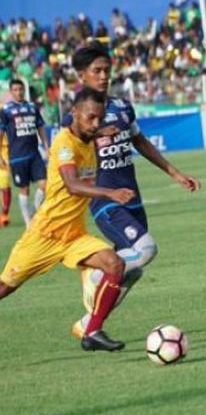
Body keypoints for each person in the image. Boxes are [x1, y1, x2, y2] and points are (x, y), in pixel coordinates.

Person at [62, 43, 201, 339]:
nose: (103, 76)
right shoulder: (76, 115)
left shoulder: (123, 107)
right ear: (82, 75)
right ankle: (95, 273)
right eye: (96, 71)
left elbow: (140, 142)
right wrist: (97, 132)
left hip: (131, 197)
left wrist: (175, 173)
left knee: (132, 269)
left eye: (106, 71)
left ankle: (90, 325)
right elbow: (67, 146)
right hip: (104, 199)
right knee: (146, 249)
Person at [0, 87, 135, 351]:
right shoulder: (63, 142)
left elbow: (89, 136)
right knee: (5, 287)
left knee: (114, 264)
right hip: (45, 235)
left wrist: (99, 132)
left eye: (100, 118)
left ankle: (92, 331)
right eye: (90, 118)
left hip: (74, 235)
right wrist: (111, 192)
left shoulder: (89, 137)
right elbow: (73, 184)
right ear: (74, 112)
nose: (95, 123)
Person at [0, 79, 50, 227]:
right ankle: (29, 223)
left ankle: (35, 211)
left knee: (44, 185)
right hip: (17, 157)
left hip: (34, 154)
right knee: (24, 189)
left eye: (20, 89)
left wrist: (46, 147)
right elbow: (1, 133)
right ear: (11, 92)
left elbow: (40, 127)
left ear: (24, 90)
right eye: (15, 90)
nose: (19, 92)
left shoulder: (32, 107)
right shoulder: (6, 111)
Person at [0, 134, 10, 227]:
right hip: (2, 162)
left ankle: (4, 215)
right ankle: (3, 216)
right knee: (5, 189)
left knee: (5, 189)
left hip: (5, 165)